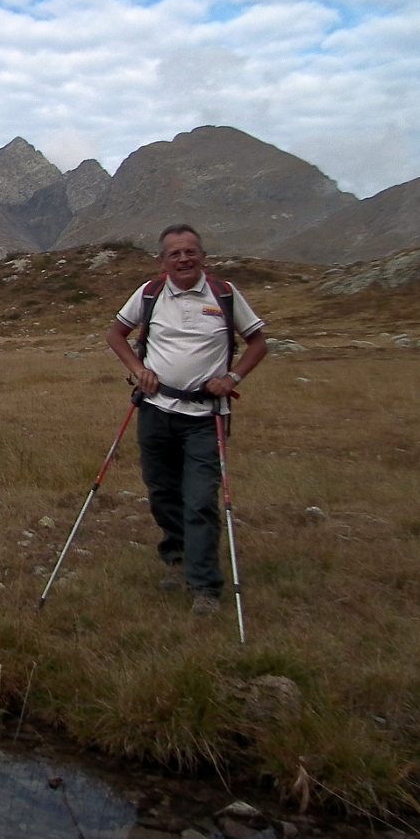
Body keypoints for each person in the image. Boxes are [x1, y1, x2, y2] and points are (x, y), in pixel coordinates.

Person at [105, 224, 268, 616]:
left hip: (205, 416)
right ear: (162, 261)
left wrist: (232, 379)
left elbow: (258, 343)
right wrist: (137, 368)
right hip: (155, 410)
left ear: (203, 257)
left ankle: (205, 586)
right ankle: (177, 560)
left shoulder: (224, 294)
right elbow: (115, 335)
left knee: (199, 500)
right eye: (174, 253)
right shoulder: (150, 294)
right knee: (162, 492)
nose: (183, 259)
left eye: (190, 251)